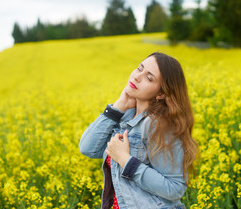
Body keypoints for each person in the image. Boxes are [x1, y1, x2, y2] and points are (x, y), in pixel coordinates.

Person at [79, 52, 199, 209]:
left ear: (161, 93)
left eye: (149, 78)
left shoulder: (158, 125)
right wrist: (117, 109)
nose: (137, 77)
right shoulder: (123, 118)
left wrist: (126, 160)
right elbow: (88, 149)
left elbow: (175, 188)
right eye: (139, 68)